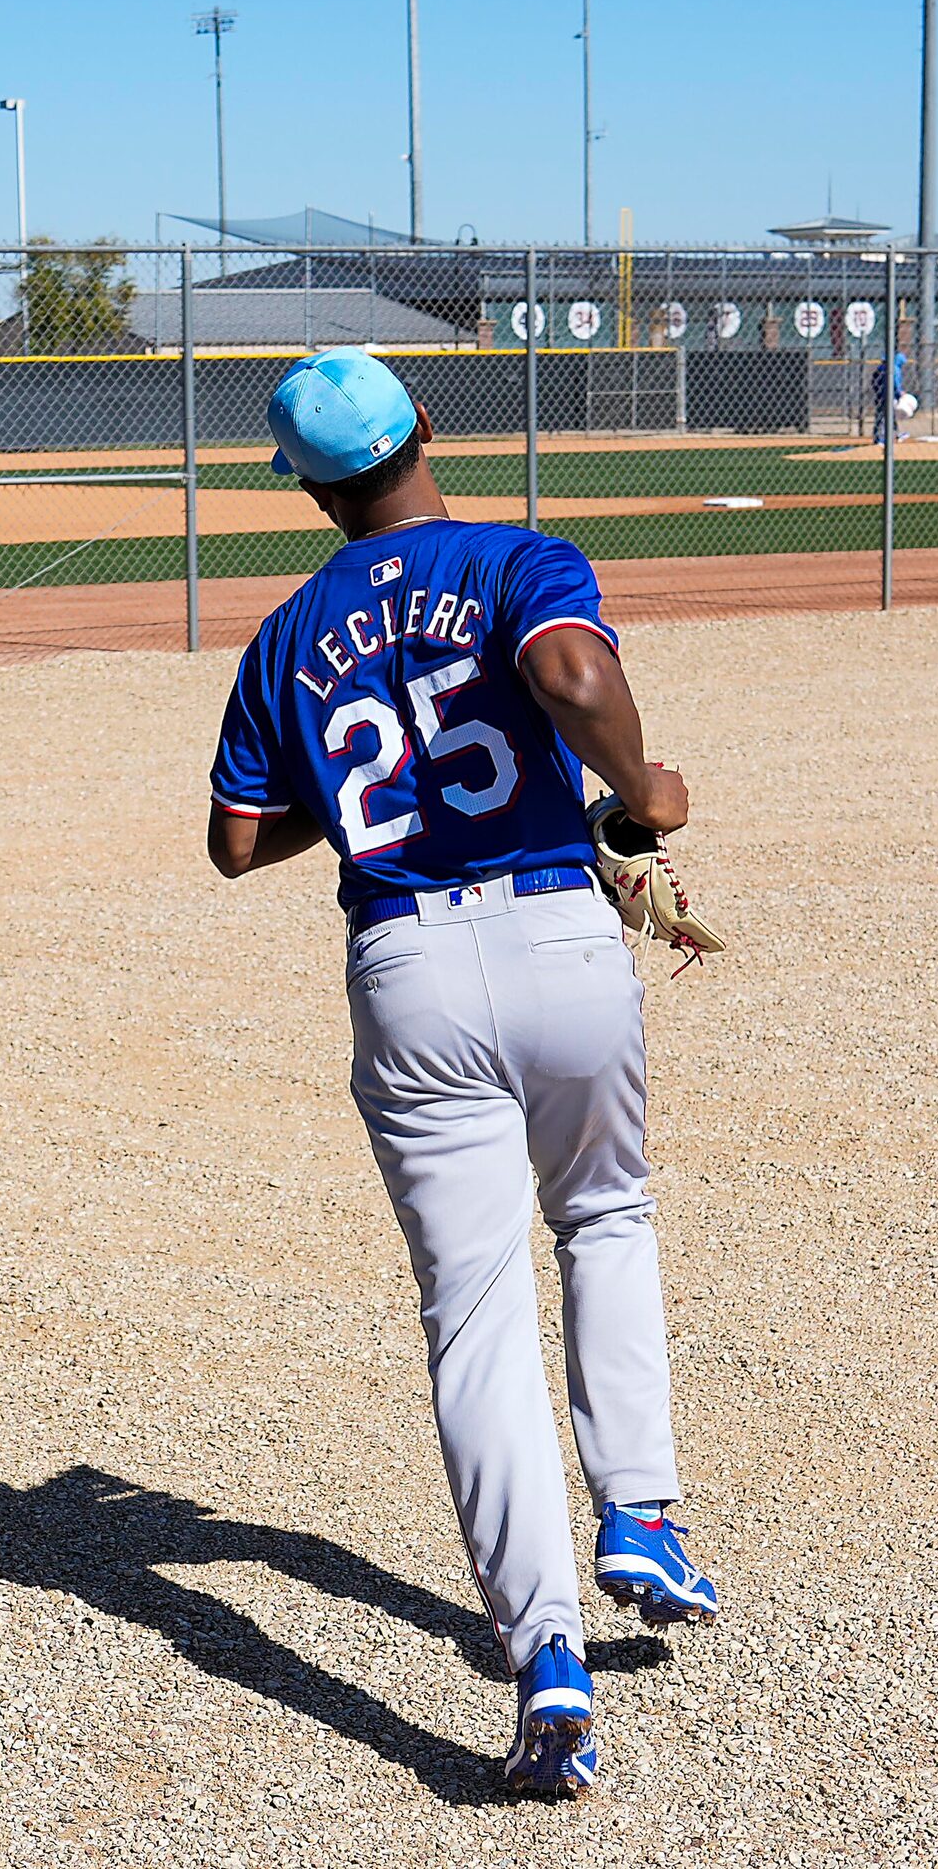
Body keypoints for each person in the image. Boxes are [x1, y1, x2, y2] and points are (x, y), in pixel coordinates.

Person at [204, 348, 719, 1799]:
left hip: (404, 961)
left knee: (472, 1312)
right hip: (556, 924)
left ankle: (545, 1650)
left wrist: (357, 807)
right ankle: (638, 1508)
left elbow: (238, 840)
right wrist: (639, 784)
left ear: (308, 486)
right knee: (605, 1213)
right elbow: (565, 669)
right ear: (426, 428)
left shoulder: (287, 628)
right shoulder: (516, 556)